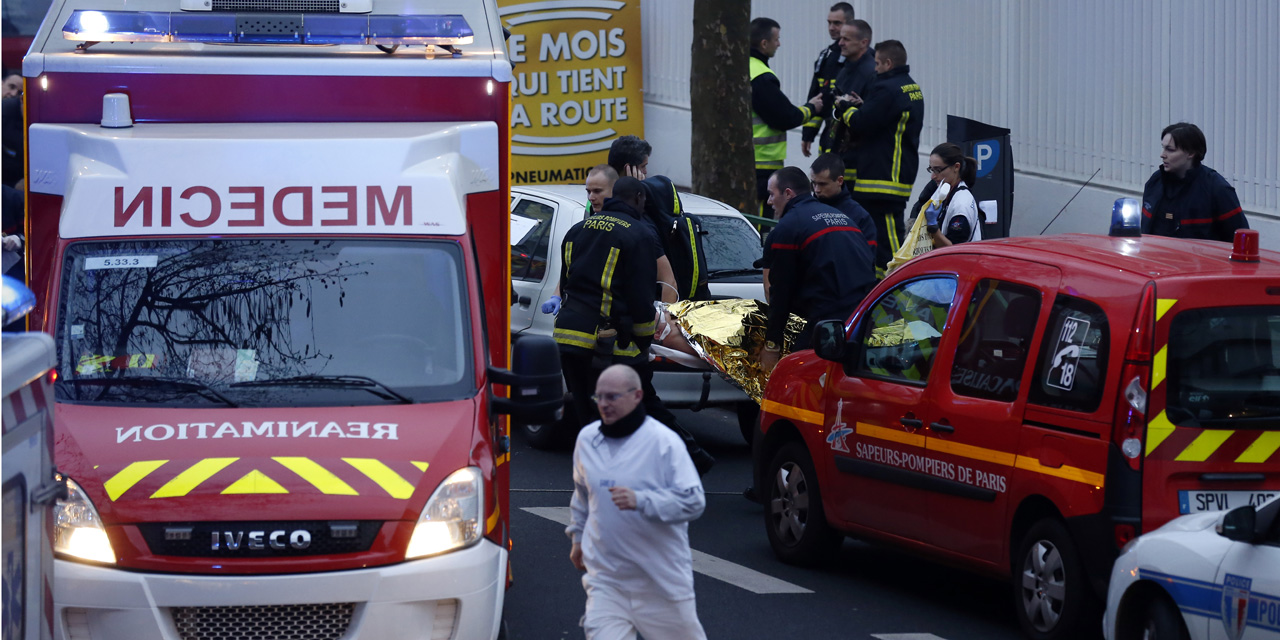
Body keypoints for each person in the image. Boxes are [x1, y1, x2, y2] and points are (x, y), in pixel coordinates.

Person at [548, 177, 715, 474]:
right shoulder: (637, 234)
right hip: (610, 341)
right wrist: (643, 340)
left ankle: (598, 469)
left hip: (568, 335)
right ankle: (692, 457)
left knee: (587, 409)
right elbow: (640, 298)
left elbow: (567, 282)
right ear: (638, 199)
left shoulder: (576, 230)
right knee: (644, 400)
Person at [567, 364, 707, 640]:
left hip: (660, 585)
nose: (603, 405)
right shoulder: (588, 439)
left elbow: (694, 502)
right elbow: (582, 494)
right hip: (607, 581)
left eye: (612, 397)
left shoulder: (664, 443)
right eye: (599, 397)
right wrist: (577, 537)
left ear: (637, 396)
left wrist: (642, 501)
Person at [760, 167, 876, 374]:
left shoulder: (788, 228)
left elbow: (780, 293)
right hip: (865, 319)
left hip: (831, 324)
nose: (769, 201)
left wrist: (772, 345)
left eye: (771, 194)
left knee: (795, 377)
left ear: (788, 194)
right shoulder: (840, 216)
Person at [833, 39, 924, 279]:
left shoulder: (886, 88)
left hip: (882, 175)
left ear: (888, 63)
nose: (874, 68)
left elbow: (861, 124)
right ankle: (883, 277)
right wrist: (866, 107)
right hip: (896, 171)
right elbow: (884, 117)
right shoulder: (909, 86)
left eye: (877, 63)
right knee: (885, 228)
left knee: (887, 233)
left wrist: (845, 107)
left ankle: (898, 278)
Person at [750, 17, 824, 213]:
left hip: (746, 159)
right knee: (759, 220)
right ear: (764, 43)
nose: (779, 43)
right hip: (761, 163)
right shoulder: (762, 77)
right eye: (777, 39)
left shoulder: (741, 67)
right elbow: (784, 116)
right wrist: (812, 107)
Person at [1141, 122, 1248, 241]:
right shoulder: (1155, 182)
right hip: (1155, 257)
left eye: (1170, 150)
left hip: (1199, 259)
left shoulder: (1217, 188)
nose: (1162, 155)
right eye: (1163, 148)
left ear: (1191, 153)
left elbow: (1242, 239)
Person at [800, 3, 855, 159]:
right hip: (828, 134)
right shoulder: (826, 56)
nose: (831, 27)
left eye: (837, 23)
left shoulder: (860, 58)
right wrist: (808, 133)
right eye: (829, 23)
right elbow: (817, 96)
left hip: (852, 137)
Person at [828, 19, 877, 182]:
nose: (840, 43)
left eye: (846, 39)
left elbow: (868, 118)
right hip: (841, 154)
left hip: (858, 160)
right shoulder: (847, 68)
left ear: (864, 42)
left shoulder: (871, 73)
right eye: (841, 38)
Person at [810, 152, 876, 254]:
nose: (817, 190)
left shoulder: (860, 217)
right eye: (813, 183)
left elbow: (867, 258)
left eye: (822, 184)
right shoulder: (806, 210)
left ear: (840, 181)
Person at [923, 142, 983, 247]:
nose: (933, 176)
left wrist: (933, 227)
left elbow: (953, 250)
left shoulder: (961, 204)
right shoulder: (946, 192)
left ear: (956, 167)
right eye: (931, 170)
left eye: (938, 170)